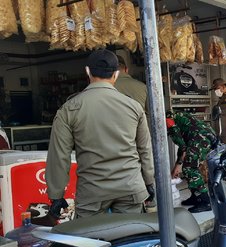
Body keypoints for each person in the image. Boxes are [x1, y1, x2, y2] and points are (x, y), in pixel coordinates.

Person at [46, 50, 155, 218]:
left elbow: (59, 155)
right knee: (128, 238)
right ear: (116, 74)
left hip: (92, 191)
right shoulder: (133, 107)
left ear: (88, 71)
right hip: (130, 187)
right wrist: (150, 182)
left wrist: (56, 195)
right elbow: (145, 149)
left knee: (91, 242)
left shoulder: (70, 108)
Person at [167, 111, 217, 213]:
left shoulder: (167, 120)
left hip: (200, 137)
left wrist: (178, 165)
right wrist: (178, 165)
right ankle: (196, 197)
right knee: (188, 167)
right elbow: (182, 148)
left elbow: (181, 144)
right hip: (202, 136)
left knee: (190, 168)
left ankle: (205, 201)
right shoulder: (175, 116)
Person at [114, 55, 148, 122]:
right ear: (126, 69)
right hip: (138, 129)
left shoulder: (106, 87)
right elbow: (150, 113)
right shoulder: (143, 87)